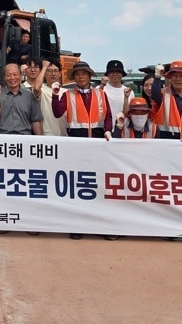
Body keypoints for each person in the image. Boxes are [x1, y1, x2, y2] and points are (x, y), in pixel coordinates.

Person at [51, 61, 114, 240]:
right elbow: (57, 113)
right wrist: (55, 96)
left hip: (98, 142)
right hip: (76, 145)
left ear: (89, 76)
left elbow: (108, 116)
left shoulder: (101, 94)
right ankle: (77, 225)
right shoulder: (67, 94)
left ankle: (102, 225)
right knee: (78, 185)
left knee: (99, 184)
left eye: (83, 74)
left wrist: (109, 130)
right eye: (77, 74)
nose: (80, 77)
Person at [150, 60, 182, 141]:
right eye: (174, 76)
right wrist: (157, 77)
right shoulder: (162, 95)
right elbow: (154, 95)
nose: (178, 79)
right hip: (166, 142)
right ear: (170, 77)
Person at [0, 63, 43, 135]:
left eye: (15, 74)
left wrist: (40, 140)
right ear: (4, 77)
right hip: (2, 138)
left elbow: (35, 120)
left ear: (21, 76)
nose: (12, 78)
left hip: (24, 138)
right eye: (8, 75)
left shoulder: (29, 96)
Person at [31, 58, 68, 136]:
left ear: (60, 73)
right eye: (49, 71)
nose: (53, 74)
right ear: (44, 73)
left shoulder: (66, 92)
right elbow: (36, 87)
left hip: (65, 134)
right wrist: (44, 67)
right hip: (47, 134)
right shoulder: (42, 90)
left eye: (56, 71)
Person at [99, 60, 134, 131]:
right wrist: (101, 86)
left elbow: (129, 113)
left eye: (118, 72)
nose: (115, 74)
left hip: (123, 130)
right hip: (103, 130)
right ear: (107, 74)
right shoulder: (100, 89)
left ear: (122, 74)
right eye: (112, 72)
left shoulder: (129, 92)